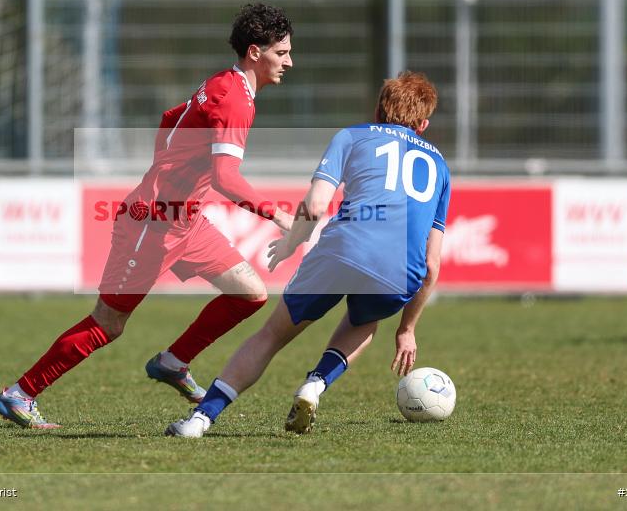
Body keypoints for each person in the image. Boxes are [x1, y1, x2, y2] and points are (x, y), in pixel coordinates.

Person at [0, 3, 294, 428]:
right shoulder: (235, 102)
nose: (289, 62)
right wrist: (275, 214)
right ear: (254, 52)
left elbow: (169, 120)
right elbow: (226, 177)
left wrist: (173, 173)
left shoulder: (224, 85)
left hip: (185, 221)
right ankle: (19, 393)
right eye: (281, 53)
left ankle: (174, 362)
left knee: (249, 293)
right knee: (108, 323)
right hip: (153, 223)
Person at [165, 71, 449, 438]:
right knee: (365, 321)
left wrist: (289, 244)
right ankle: (315, 384)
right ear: (424, 124)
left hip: (342, 249)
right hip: (398, 271)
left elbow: (315, 206)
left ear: (379, 109)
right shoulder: (440, 166)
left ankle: (200, 420)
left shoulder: (352, 135)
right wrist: (407, 329)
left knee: (271, 336)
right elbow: (431, 265)